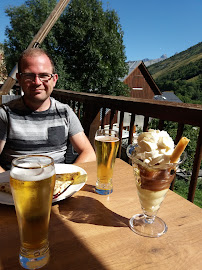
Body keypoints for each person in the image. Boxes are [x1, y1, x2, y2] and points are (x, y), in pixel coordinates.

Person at [0, 48, 96, 172]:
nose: (37, 82)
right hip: (18, 187)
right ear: (19, 79)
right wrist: (9, 184)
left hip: (55, 186)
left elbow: (88, 153)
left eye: (44, 75)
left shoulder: (65, 112)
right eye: (29, 76)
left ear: (54, 79)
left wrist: (66, 179)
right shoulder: (5, 114)